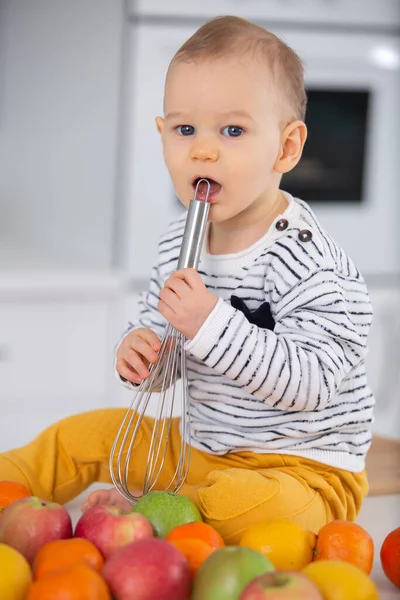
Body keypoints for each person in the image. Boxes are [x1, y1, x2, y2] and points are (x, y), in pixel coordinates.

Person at [0, 16, 374, 544]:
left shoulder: (311, 261)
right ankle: (21, 483)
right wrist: (144, 354)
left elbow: (310, 385)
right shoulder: (179, 243)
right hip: (201, 448)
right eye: (184, 130)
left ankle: (151, 507)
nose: (202, 150)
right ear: (163, 137)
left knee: (257, 509)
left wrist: (210, 323)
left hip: (299, 470)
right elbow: (174, 352)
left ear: (286, 149)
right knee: (76, 437)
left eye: (233, 130)